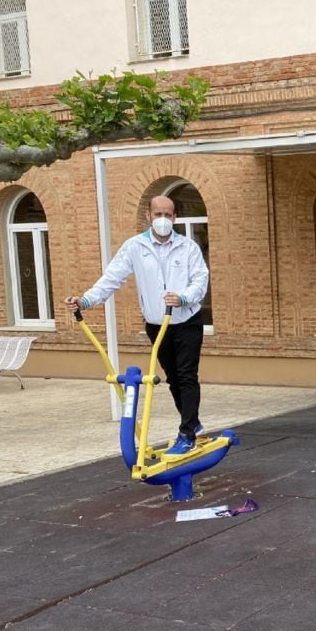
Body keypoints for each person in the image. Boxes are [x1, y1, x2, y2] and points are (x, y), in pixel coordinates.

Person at [65, 195, 209, 456]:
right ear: (148, 216)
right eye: (158, 214)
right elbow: (112, 278)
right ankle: (194, 422)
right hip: (157, 324)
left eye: (168, 215)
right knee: (173, 379)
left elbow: (200, 280)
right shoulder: (135, 246)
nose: (163, 220)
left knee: (187, 376)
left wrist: (183, 297)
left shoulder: (188, 247)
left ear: (175, 218)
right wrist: (85, 300)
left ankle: (187, 432)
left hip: (186, 321)